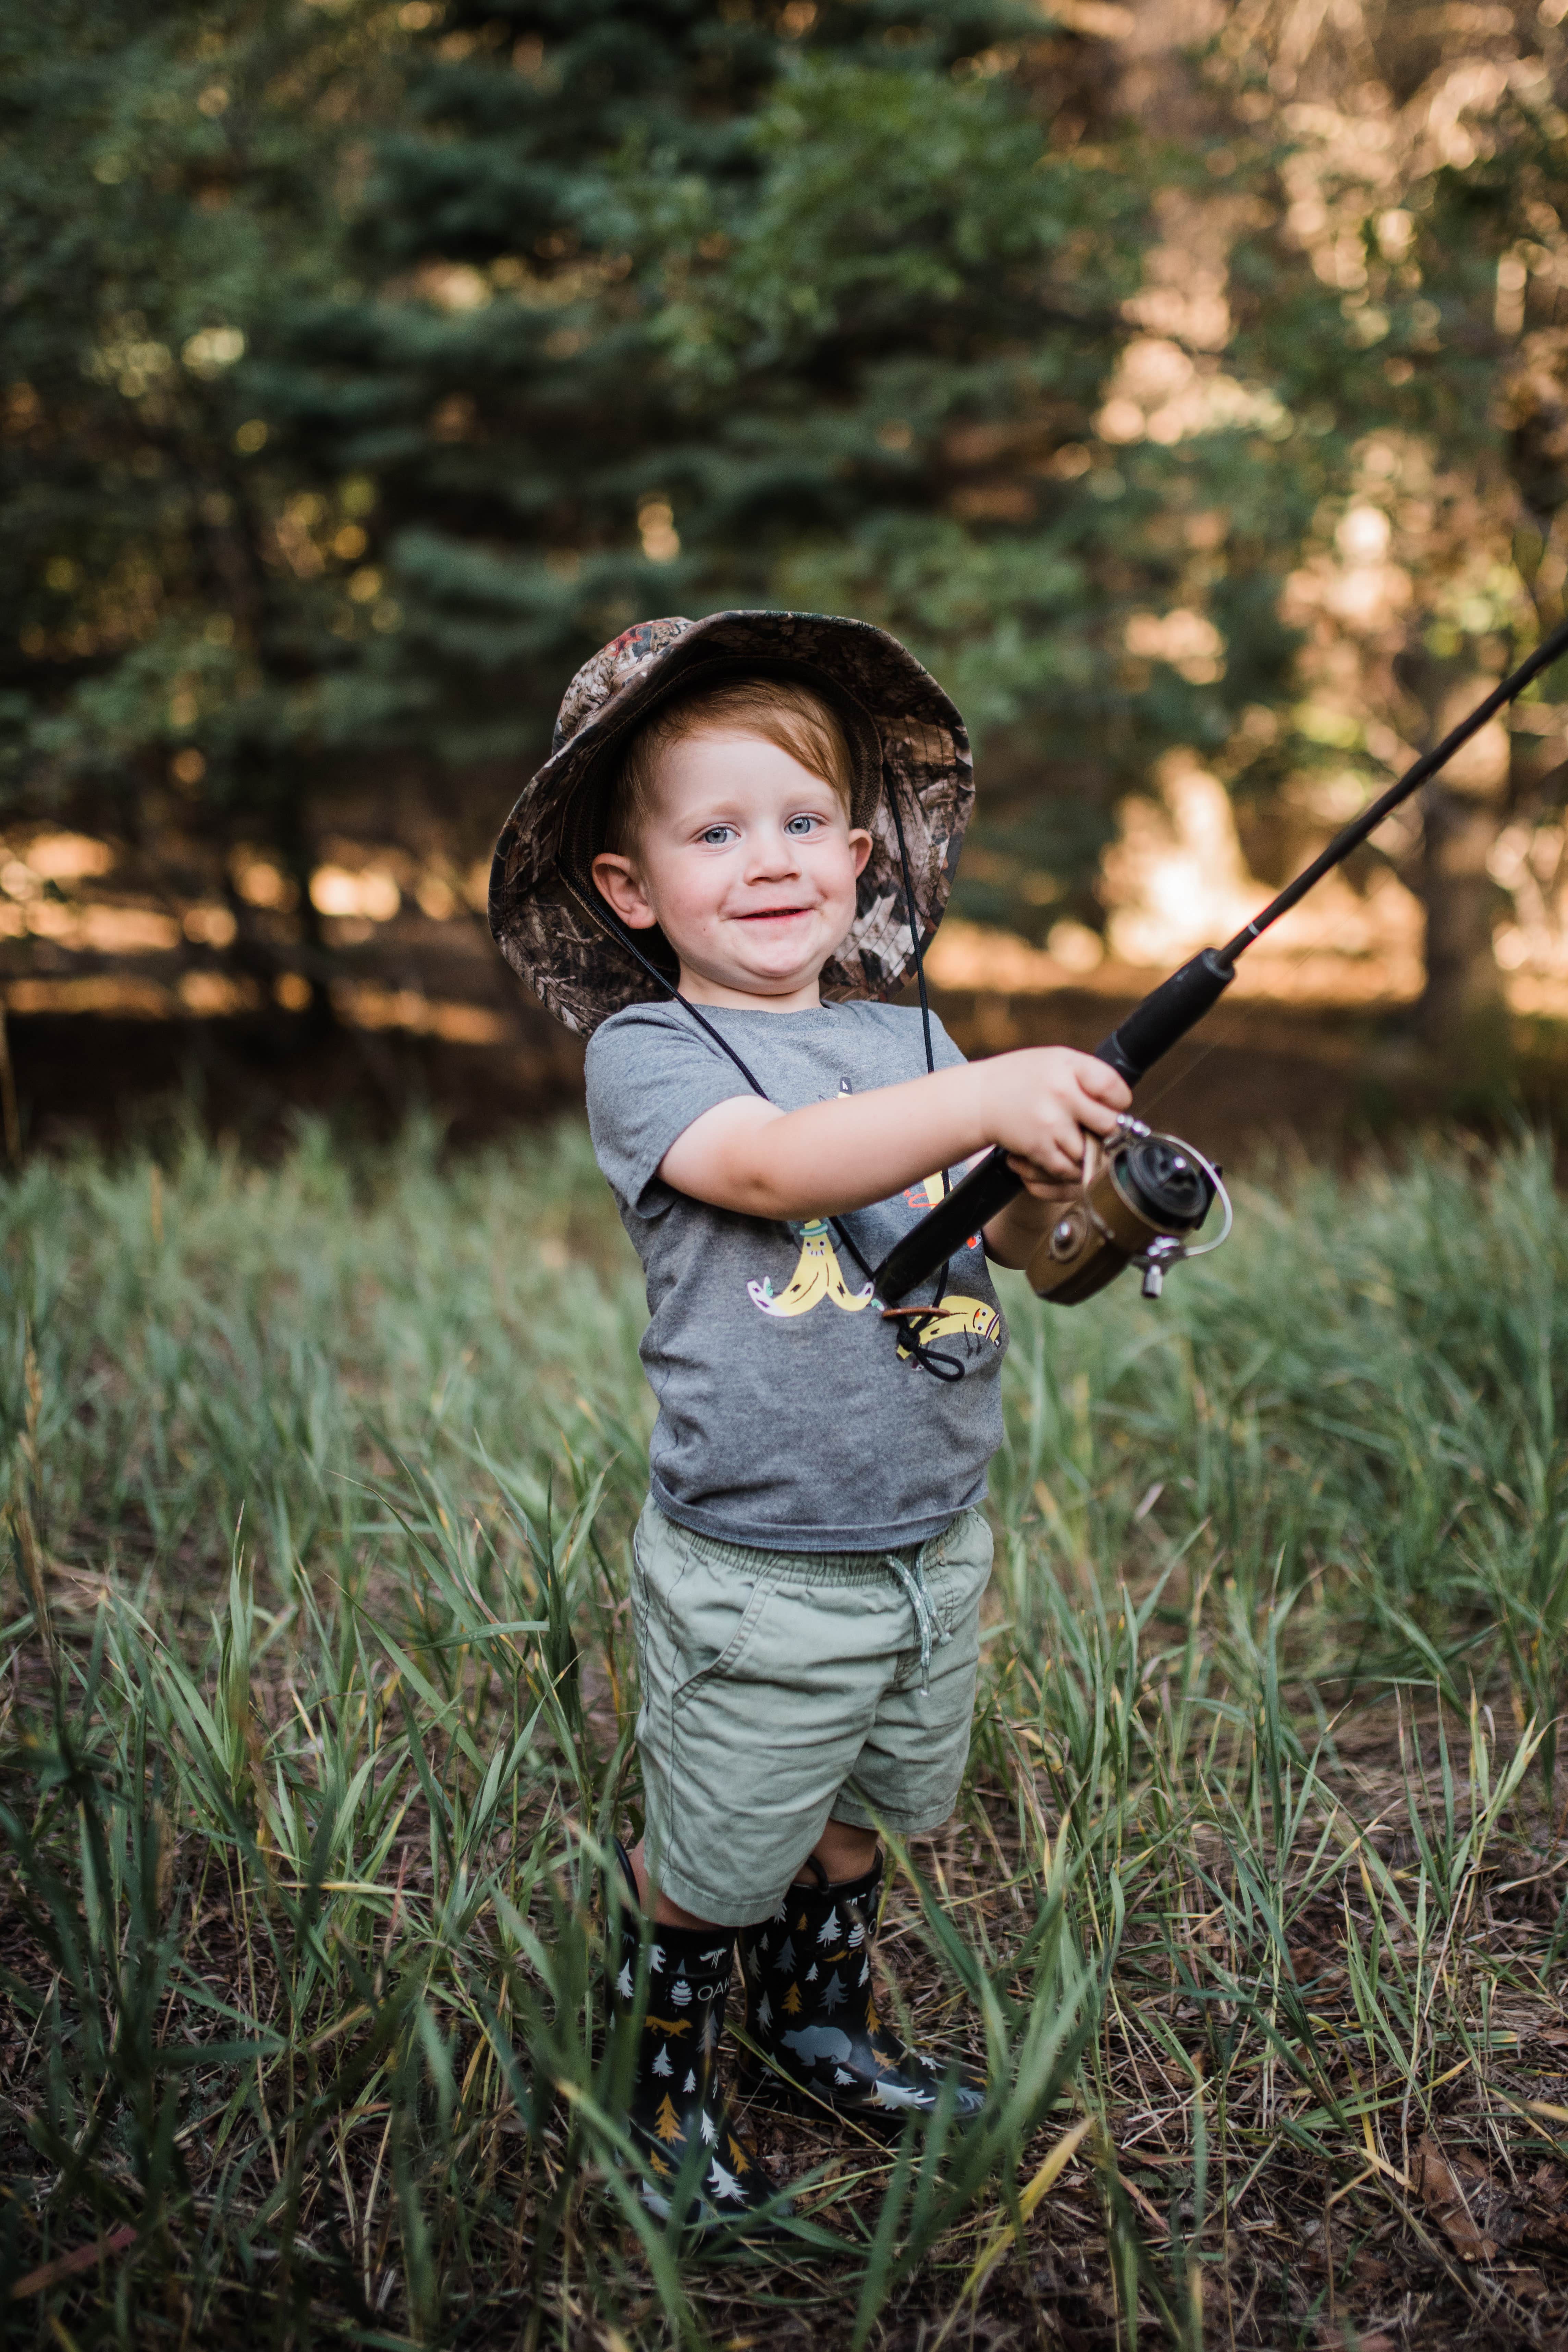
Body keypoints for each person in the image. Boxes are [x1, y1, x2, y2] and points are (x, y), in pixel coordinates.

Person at [489, 612, 1130, 2228]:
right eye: (713, 833)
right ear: (633, 888)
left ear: (855, 859)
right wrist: (983, 1096)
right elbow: (775, 1168)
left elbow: (990, 1232)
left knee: (852, 1821)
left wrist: (1055, 1182)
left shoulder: (907, 1033)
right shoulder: (652, 1052)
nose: (765, 860)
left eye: (798, 824)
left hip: (928, 1534)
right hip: (762, 1560)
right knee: (720, 1856)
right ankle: (651, 2088)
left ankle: (814, 2023)